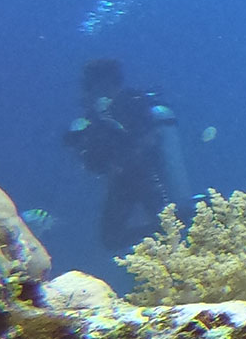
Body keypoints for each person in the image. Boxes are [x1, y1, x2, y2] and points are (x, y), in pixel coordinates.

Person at [63, 59, 194, 249]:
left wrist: (118, 157)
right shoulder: (98, 115)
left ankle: (178, 242)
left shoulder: (132, 104)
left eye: (88, 85)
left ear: (103, 84)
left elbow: (145, 140)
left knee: (172, 226)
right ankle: (163, 245)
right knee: (113, 238)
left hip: (146, 177)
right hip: (124, 182)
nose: (85, 91)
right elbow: (95, 160)